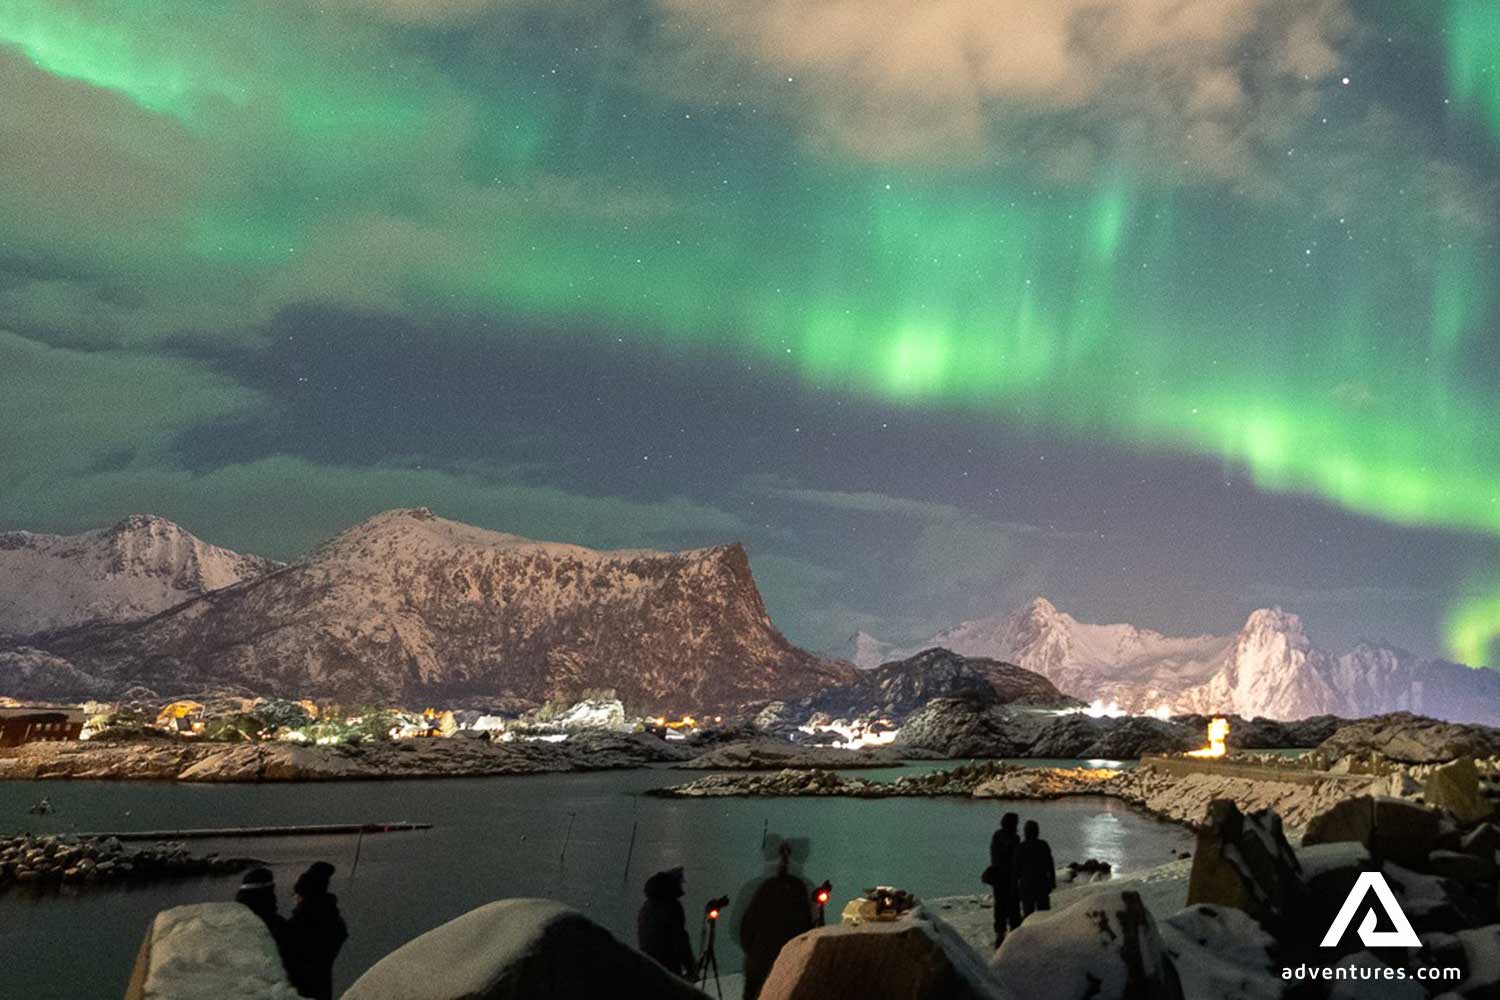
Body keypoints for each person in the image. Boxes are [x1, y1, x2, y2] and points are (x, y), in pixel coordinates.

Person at [734, 836, 814, 1000]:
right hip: (789, 966)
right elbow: (811, 928)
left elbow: (740, 927)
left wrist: (754, 952)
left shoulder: (757, 887)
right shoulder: (803, 889)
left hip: (759, 964)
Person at [283, 861, 348, 1000]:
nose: (295, 899)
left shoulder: (297, 924)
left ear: (304, 896)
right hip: (323, 990)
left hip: (302, 992)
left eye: (297, 895)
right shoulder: (332, 919)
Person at [638, 867, 696, 977]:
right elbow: (680, 940)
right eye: (680, 882)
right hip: (668, 966)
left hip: (648, 964)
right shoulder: (672, 906)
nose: (681, 885)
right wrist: (691, 967)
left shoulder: (646, 906)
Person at [986, 811, 1022, 947]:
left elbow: (994, 855)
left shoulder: (997, 836)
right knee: (1013, 908)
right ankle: (1014, 935)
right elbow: (1016, 860)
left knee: (1000, 907)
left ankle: (1000, 935)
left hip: (998, 878)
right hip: (1009, 879)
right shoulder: (1015, 839)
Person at [1014, 819, 1057, 917]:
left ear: (1025, 832)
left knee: (1028, 914)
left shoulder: (1020, 847)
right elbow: (1050, 865)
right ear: (1037, 831)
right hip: (1041, 884)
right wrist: (1052, 882)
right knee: (1044, 914)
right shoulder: (1043, 845)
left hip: (1026, 885)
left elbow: (1016, 870)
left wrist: (1015, 887)